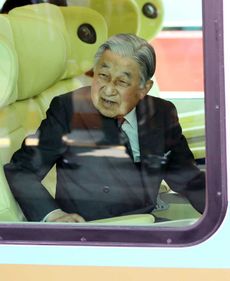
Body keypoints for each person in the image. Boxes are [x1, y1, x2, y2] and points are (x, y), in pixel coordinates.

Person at [4, 34, 205, 222]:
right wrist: (53, 215)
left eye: (122, 82)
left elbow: (188, 178)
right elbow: (21, 169)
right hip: (93, 232)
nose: (108, 90)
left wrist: (225, 213)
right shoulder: (69, 109)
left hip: (145, 223)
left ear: (144, 88)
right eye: (103, 76)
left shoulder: (161, 113)